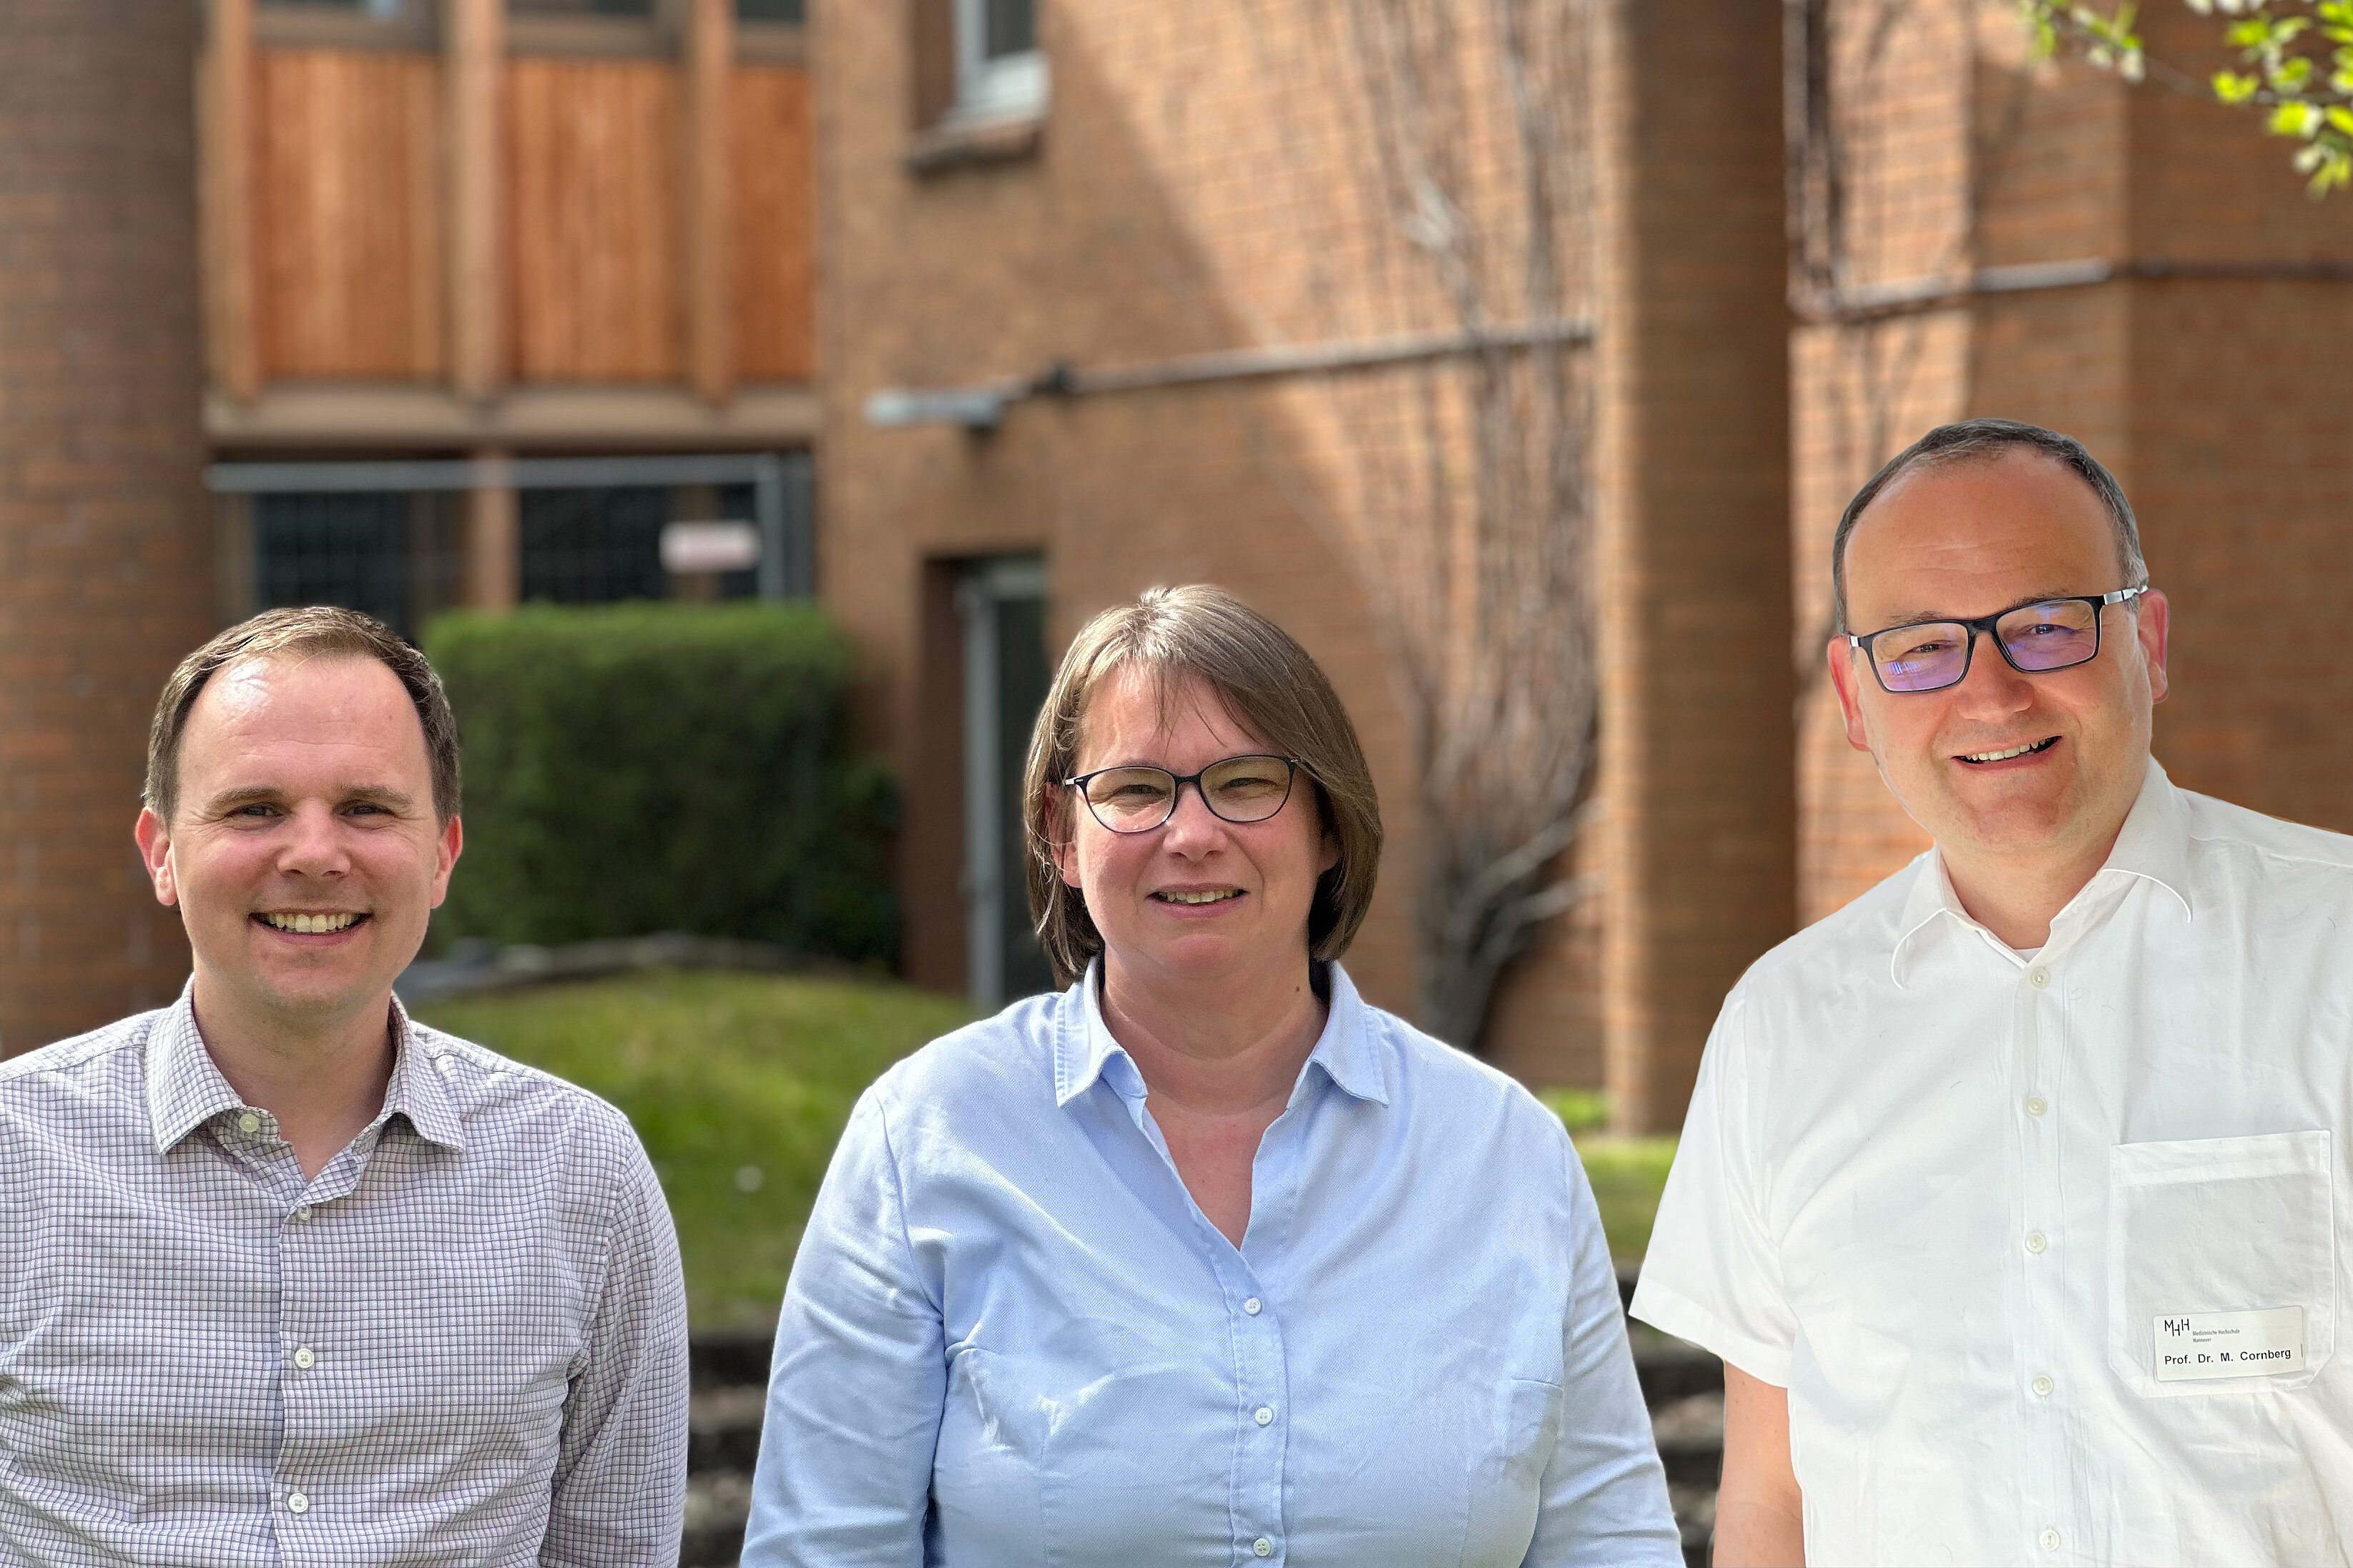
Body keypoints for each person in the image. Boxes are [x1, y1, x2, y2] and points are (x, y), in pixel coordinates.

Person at [744, 584, 1678, 1567]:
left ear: (1327, 829)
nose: (1191, 833)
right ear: (1062, 837)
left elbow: (1609, 1543)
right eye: (1137, 788)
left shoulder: (1502, 1152)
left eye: (1243, 783)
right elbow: (822, 1548)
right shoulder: (924, 1139)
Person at [1633, 418, 2353, 1566]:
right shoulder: (1782, 1027)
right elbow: (1773, 1497)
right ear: (1854, 695)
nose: (1990, 691)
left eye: (2045, 625)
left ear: (2147, 641)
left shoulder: (2336, 953)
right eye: (1919, 647)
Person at [0, 607, 689, 1565]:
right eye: (256, 808)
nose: (315, 853)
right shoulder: (13, 1158)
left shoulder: (582, 1173)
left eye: (367, 807)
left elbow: (613, 1549)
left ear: (443, 852)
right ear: (160, 851)